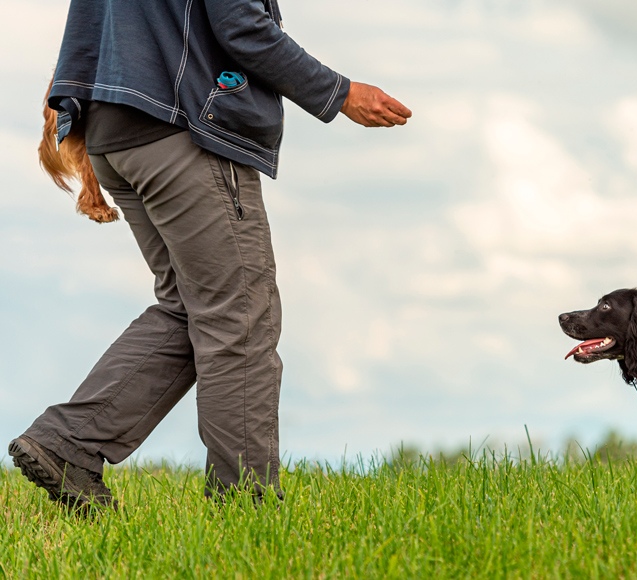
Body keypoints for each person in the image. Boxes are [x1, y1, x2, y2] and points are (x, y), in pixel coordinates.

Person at [8, 0, 411, 510]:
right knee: (239, 314)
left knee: (189, 307)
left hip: (112, 128)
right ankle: (246, 505)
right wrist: (340, 93)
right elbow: (241, 24)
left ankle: (69, 443)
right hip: (180, 126)